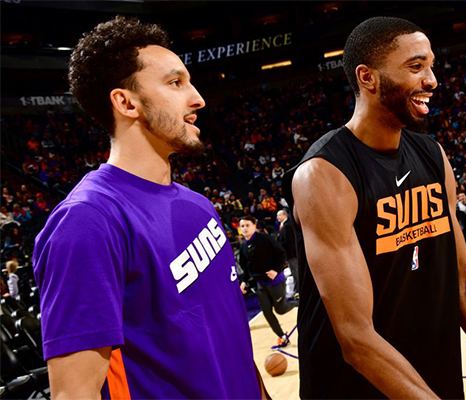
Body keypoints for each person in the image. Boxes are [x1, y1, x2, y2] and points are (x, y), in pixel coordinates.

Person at [283, 16, 466, 399]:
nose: (432, 80)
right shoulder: (324, 174)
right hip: (353, 390)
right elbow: (356, 337)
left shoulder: (433, 156)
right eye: (415, 67)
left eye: (431, 66)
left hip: (431, 381)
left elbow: (465, 289)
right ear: (368, 78)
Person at [32, 16, 266, 399]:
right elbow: (74, 393)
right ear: (126, 102)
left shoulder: (200, 205)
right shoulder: (88, 221)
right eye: (175, 83)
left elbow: (227, 334)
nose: (198, 99)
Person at [238, 215, 297, 349]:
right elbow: (246, 267)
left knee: (280, 310)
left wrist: (275, 270)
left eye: (247, 225)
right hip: (261, 285)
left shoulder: (265, 239)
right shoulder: (243, 247)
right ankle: (283, 337)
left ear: (254, 226)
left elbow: (281, 254)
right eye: (242, 226)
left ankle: (298, 303)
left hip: (275, 281)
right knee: (267, 312)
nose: (245, 228)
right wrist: (244, 281)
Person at [277, 209, 299, 296]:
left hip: (291, 254)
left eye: (279, 215)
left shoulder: (287, 226)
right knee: (294, 272)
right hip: (289, 255)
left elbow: (289, 242)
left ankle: (298, 291)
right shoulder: (283, 226)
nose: (277, 217)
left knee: (295, 272)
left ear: (285, 215)